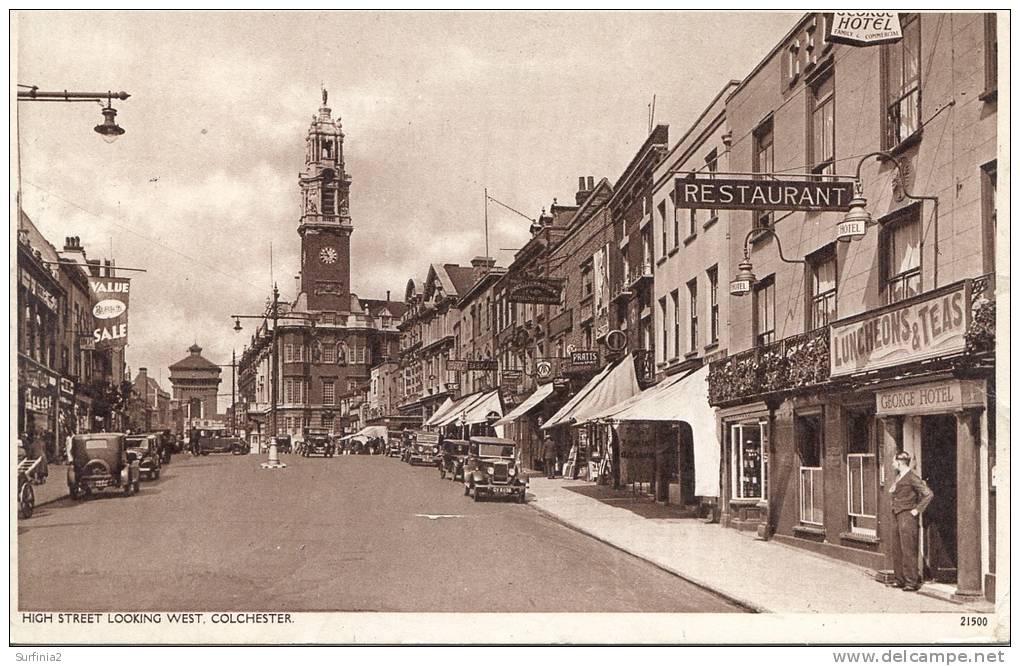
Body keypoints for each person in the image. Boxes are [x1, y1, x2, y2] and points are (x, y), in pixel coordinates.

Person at [888, 451, 934, 592]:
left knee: (908, 548)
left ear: (900, 462)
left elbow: (928, 494)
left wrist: (917, 510)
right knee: (897, 548)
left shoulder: (912, 477)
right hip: (897, 514)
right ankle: (899, 579)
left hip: (907, 516)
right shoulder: (899, 476)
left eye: (893, 461)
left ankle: (911, 582)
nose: (892, 463)